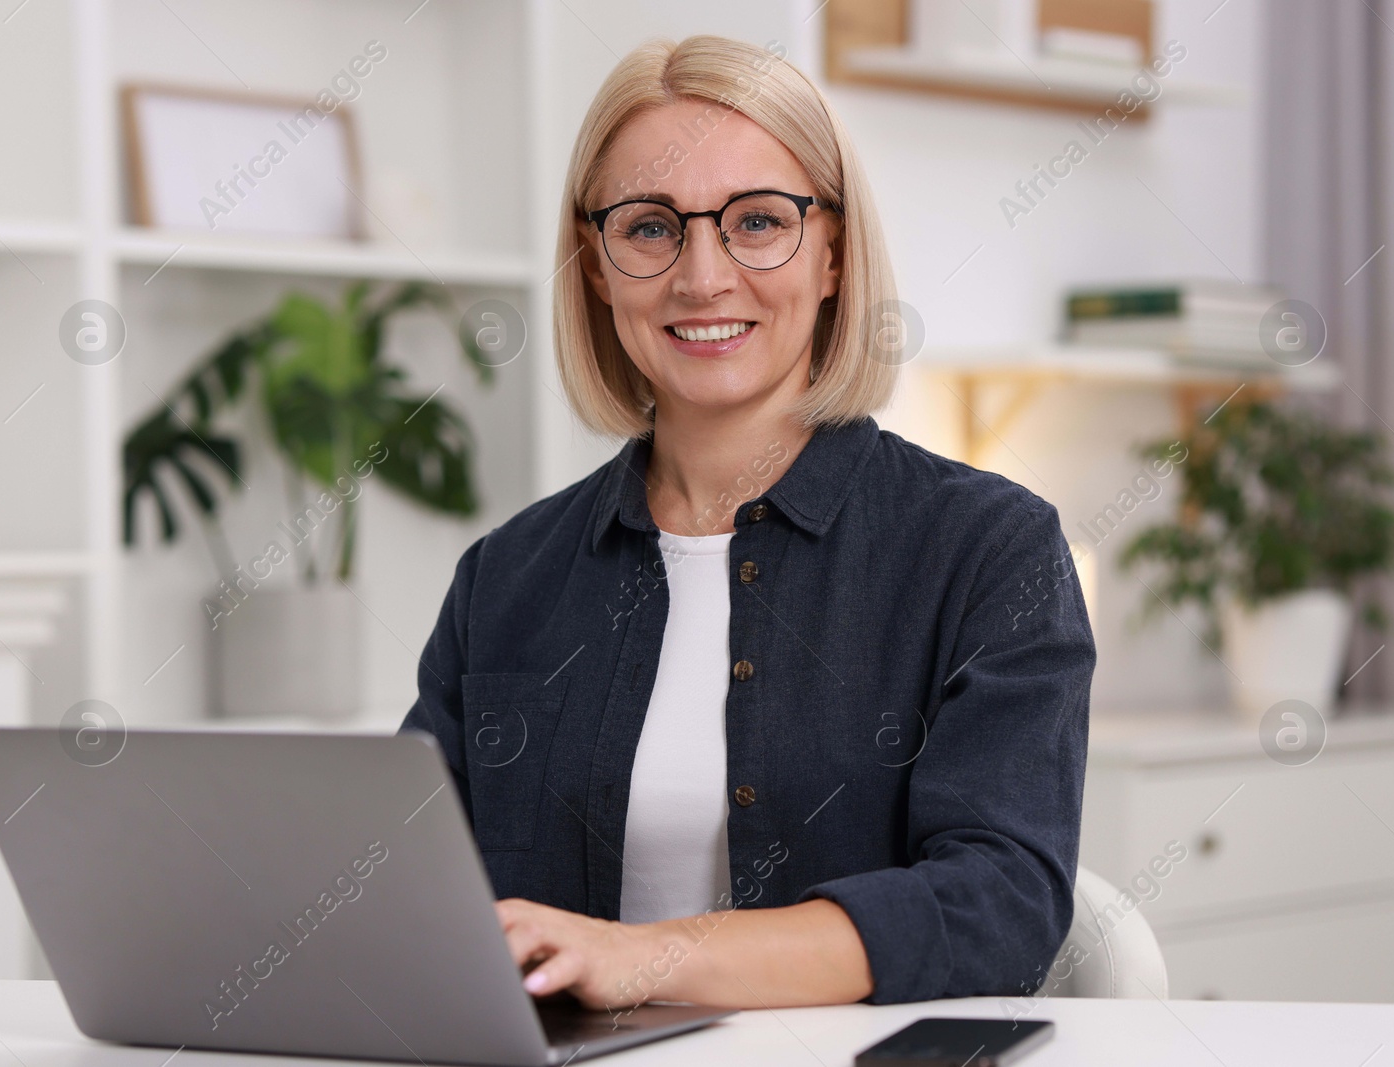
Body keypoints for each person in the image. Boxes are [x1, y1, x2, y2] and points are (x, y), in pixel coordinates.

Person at [400, 34, 1095, 1011]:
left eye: (757, 221)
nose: (702, 275)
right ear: (596, 264)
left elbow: (1000, 903)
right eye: (649, 227)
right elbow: (406, 895)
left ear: (832, 252)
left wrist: (637, 957)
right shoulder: (504, 576)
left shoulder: (988, 550)